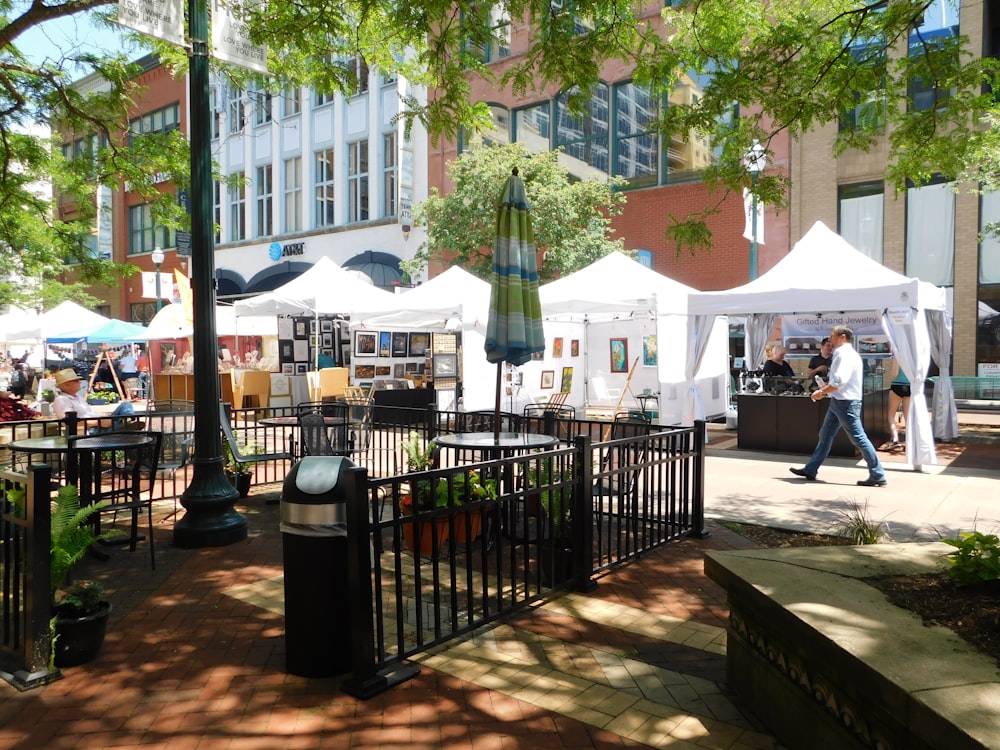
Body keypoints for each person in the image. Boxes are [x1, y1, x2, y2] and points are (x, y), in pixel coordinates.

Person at [789, 325, 887, 487]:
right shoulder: (850, 353)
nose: (830, 339)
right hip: (840, 401)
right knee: (826, 435)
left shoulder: (843, 354)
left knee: (859, 438)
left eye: (832, 335)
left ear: (842, 337)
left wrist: (821, 392)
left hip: (845, 402)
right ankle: (811, 469)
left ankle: (878, 474)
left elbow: (839, 381)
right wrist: (828, 389)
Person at [51, 368, 138, 433]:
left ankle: (127, 422)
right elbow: (70, 423)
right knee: (120, 426)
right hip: (91, 429)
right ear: (67, 384)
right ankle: (125, 426)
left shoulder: (78, 397)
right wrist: (99, 423)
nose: (80, 382)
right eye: (76, 381)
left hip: (99, 423)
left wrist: (102, 421)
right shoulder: (61, 400)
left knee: (126, 405)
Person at [882, 358, 911, 449]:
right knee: (908, 417)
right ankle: (909, 442)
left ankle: (895, 439)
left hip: (897, 385)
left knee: (891, 415)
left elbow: (894, 374)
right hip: (910, 386)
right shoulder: (913, 353)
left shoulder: (898, 354)